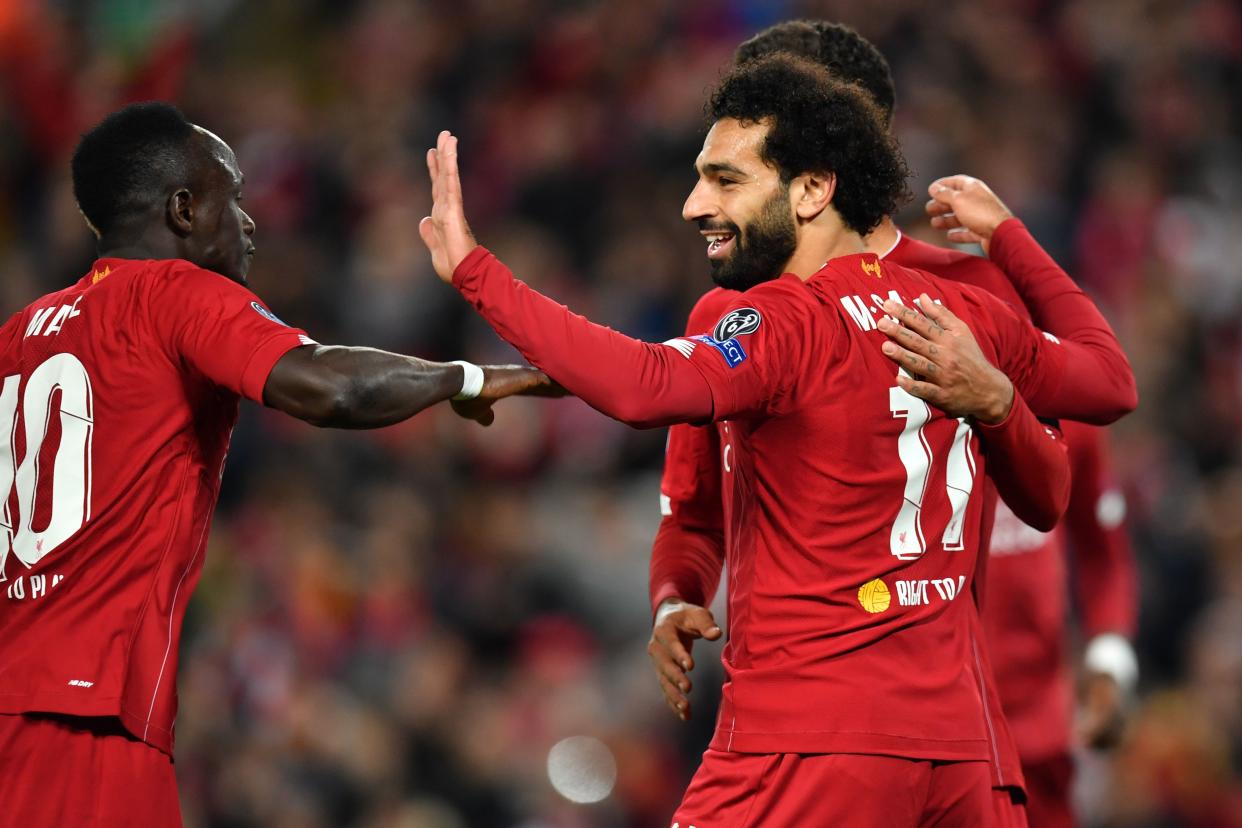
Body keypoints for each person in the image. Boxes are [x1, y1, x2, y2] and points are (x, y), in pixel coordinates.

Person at [419, 54, 1136, 825]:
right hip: (964, 759)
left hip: (807, 747)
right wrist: (1010, 281)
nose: (695, 204)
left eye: (726, 179)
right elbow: (1099, 399)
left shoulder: (789, 323)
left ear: (812, 188)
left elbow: (642, 385)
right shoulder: (964, 311)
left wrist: (473, 270)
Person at [0, 101, 555, 827]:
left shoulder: (20, 334)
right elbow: (331, 387)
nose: (250, 222)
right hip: (88, 708)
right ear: (183, 209)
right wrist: (466, 378)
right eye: (233, 196)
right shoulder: (176, 293)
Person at [646, 20, 1139, 828]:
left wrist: (1109, 645)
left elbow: (1073, 470)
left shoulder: (975, 294)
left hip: (975, 734)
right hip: (825, 733)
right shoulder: (730, 313)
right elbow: (693, 509)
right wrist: (674, 599)